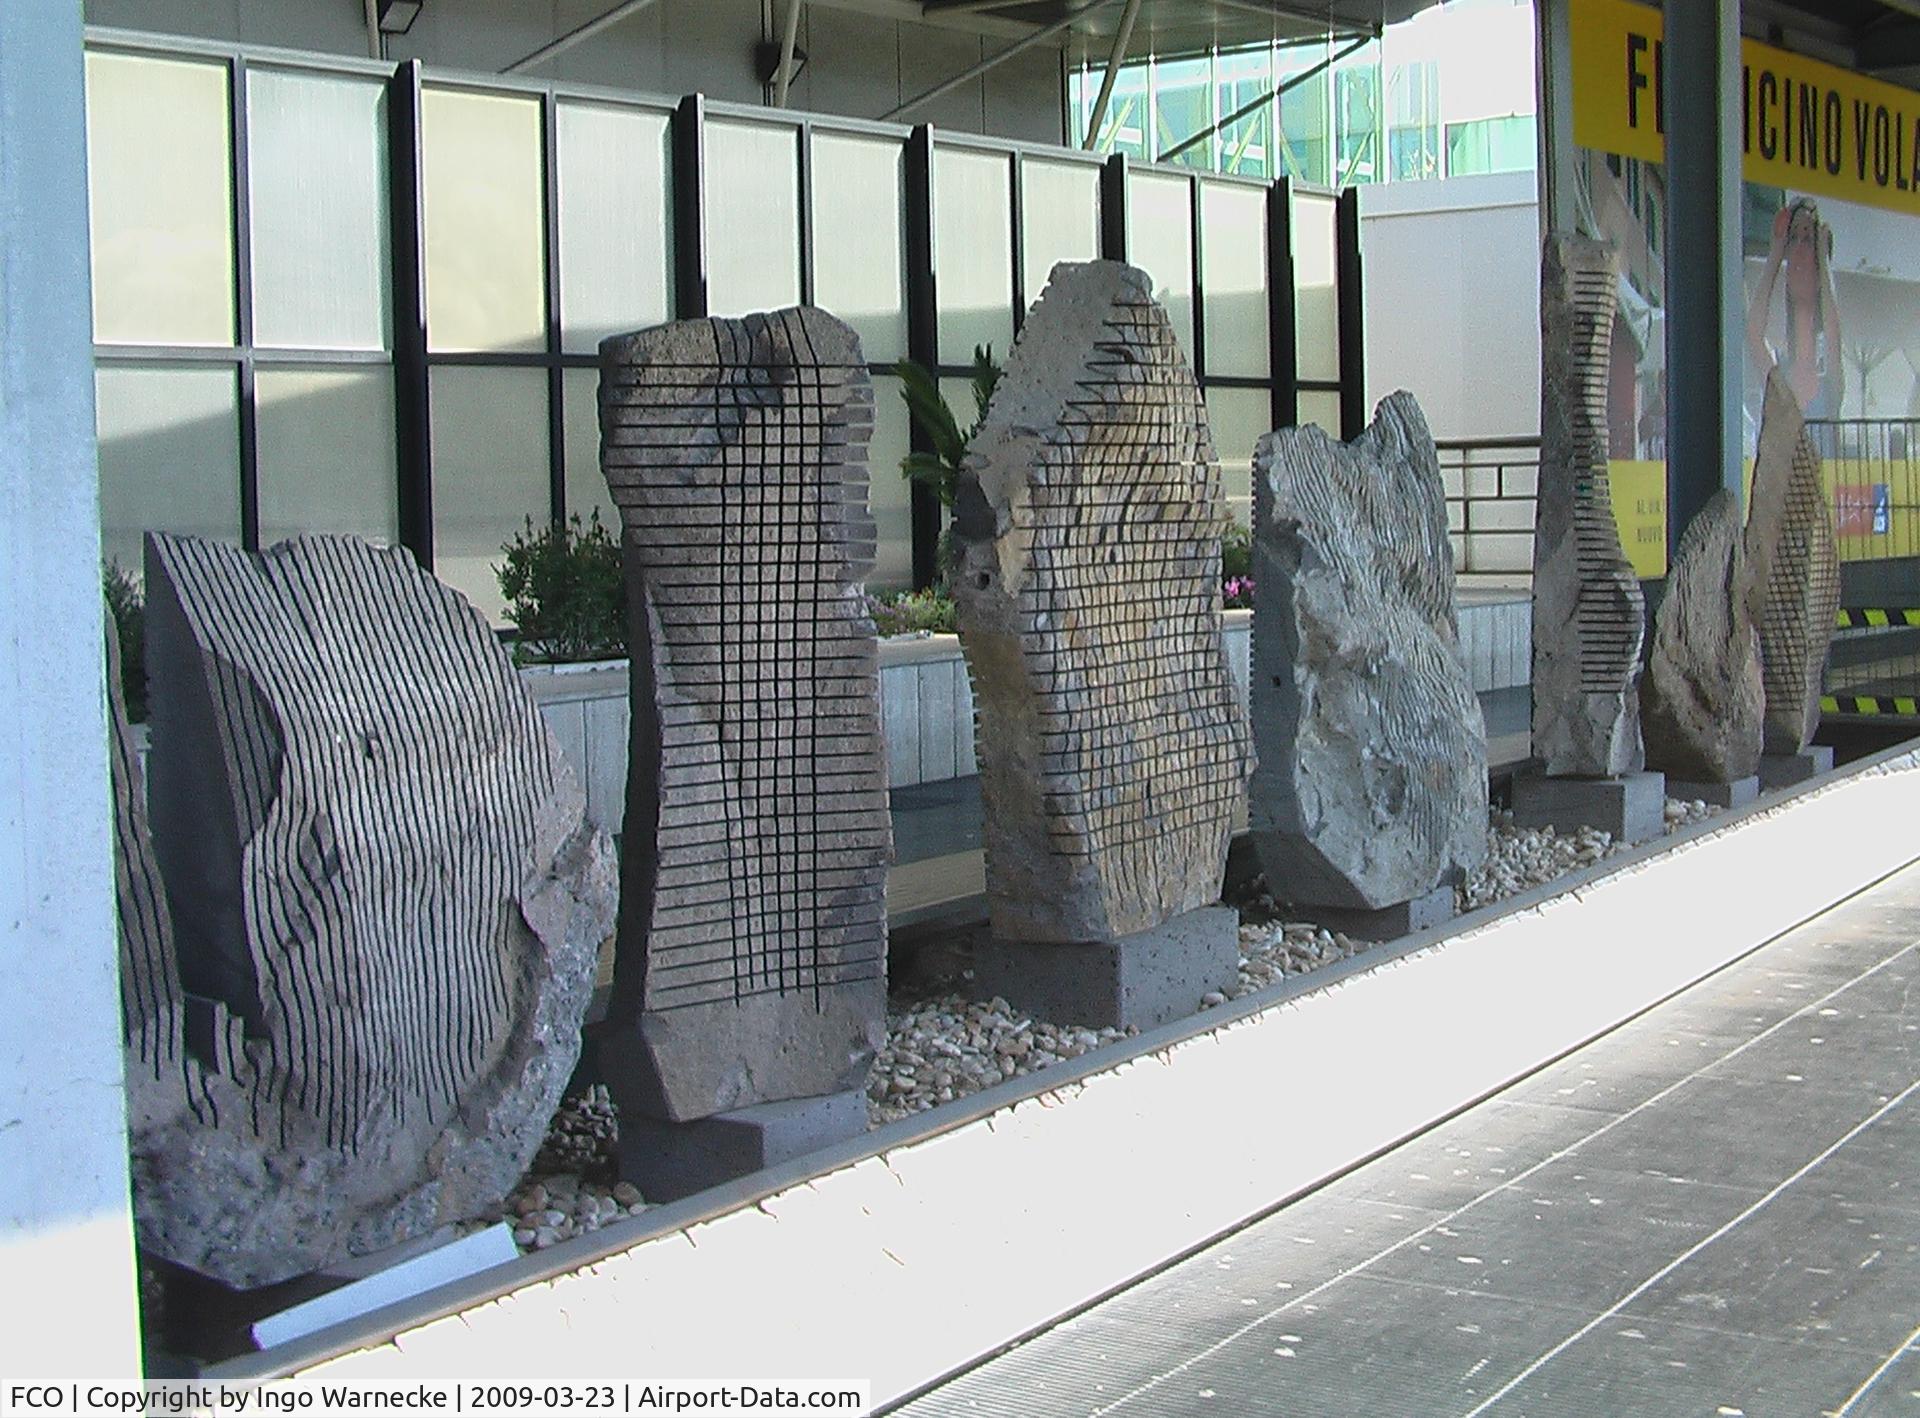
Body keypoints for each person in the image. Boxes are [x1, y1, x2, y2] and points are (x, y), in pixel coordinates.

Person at [1746, 197, 1844, 419]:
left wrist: (1823, 257)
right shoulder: (1779, 371)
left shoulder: (1828, 379)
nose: (1798, 250)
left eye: (1807, 240)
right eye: (1793, 239)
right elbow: (1754, 334)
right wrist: (1776, 252)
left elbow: (1833, 336)